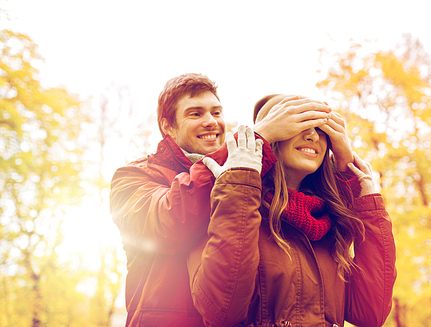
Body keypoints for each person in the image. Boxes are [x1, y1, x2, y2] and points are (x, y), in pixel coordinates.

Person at [109, 75, 334, 326]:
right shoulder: (133, 177)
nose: (211, 122)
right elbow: (172, 221)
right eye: (195, 114)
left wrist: (345, 163)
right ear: (167, 126)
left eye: (217, 112)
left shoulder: (250, 176)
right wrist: (259, 138)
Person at [187, 94, 397, 326]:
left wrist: (360, 192)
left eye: (321, 129)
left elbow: (371, 314)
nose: (312, 135)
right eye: (299, 124)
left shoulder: (331, 222)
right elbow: (222, 311)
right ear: (272, 135)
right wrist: (239, 186)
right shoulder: (230, 201)